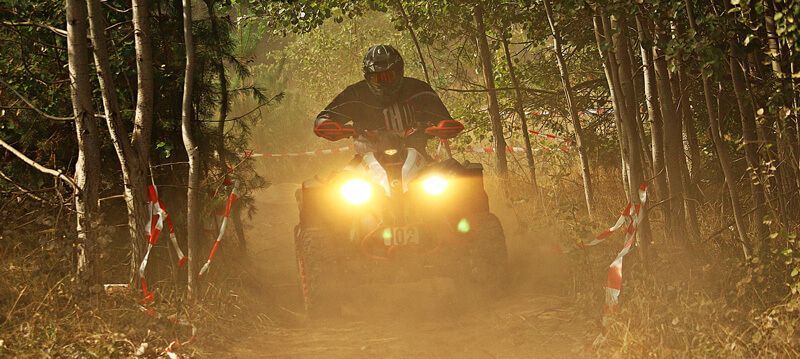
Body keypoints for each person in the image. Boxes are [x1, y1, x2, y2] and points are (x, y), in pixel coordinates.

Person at [312, 44, 460, 157]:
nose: (384, 82)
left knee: (456, 180)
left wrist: (444, 127)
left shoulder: (419, 90)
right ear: (368, 77)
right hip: (367, 163)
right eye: (377, 77)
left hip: (417, 159)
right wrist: (326, 125)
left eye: (388, 76)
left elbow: (445, 120)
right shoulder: (355, 94)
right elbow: (325, 117)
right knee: (331, 191)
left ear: (399, 72)